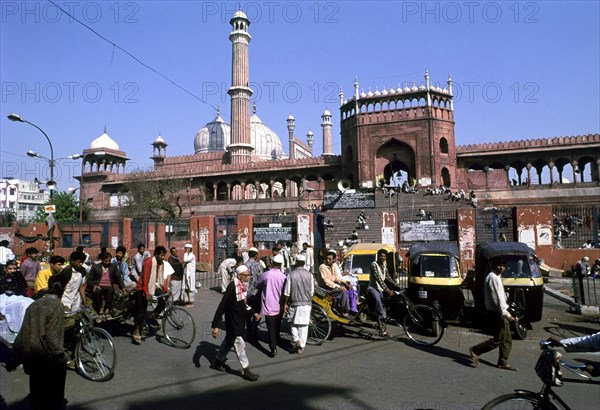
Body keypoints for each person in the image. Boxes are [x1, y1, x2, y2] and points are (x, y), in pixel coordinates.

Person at [7, 276, 67, 410]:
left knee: (37, 396)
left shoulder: (34, 304)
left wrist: (15, 356)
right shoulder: (57, 305)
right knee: (54, 397)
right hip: (49, 358)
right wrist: (61, 355)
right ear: (64, 288)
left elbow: (23, 333)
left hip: (33, 357)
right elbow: (52, 336)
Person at [210, 265, 260, 382]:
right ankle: (246, 370)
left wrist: (253, 313)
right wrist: (216, 325)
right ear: (240, 275)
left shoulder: (241, 286)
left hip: (239, 320)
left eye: (248, 275)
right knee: (239, 344)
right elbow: (222, 306)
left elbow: (243, 304)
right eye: (246, 275)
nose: (248, 277)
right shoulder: (233, 287)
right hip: (233, 321)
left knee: (228, 342)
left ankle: (216, 362)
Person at [469, 256, 518, 371]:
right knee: (500, 338)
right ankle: (476, 350)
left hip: (499, 310)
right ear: (494, 265)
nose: (502, 268)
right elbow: (499, 300)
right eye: (499, 265)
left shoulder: (496, 276)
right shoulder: (493, 277)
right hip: (498, 312)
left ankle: (502, 361)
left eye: (503, 265)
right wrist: (507, 315)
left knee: (507, 339)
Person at [132, 246, 170, 345]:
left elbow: (161, 279)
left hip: (154, 286)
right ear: (156, 255)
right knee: (141, 311)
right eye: (161, 255)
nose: (163, 257)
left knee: (163, 301)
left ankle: (152, 318)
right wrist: (146, 292)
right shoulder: (149, 262)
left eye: (164, 256)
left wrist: (166, 289)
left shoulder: (161, 264)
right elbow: (145, 279)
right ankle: (136, 330)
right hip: (143, 287)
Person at [283, 254, 314, 354]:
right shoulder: (310, 275)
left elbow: (287, 292)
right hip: (306, 303)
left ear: (296, 262)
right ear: (304, 263)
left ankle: (296, 339)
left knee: (293, 323)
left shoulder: (291, 274)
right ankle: (301, 346)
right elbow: (312, 292)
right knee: (304, 326)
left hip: (294, 303)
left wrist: (285, 303)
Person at [258, 254, 286, 357]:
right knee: (277, 325)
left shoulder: (266, 275)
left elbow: (259, 284)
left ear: (273, 263)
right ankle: (277, 339)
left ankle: (273, 347)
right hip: (279, 305)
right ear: (281, 264)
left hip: (268, 304)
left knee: (271, 327)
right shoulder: (283, 277)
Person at [84, 252, 123, 321]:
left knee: (110, 291)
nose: (108, 262)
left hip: (109, 285)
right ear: (102, 260)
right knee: (97, 292)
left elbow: (118, 277)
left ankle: (107, 310)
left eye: (109, 261)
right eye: (106, 261)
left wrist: (123, 287)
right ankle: (100, 309)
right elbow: (89, 279)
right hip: (99, 285)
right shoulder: (96, 267)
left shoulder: (113, 266)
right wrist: (94, 285)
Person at [0, 260, 33, 338]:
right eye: (10, 269)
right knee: (22, 304)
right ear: (6, 269)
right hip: (4, 297)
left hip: (18, 296)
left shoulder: (19, 275)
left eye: (14, 269)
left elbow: (23, 287)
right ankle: (18, 328)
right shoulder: (2, 276)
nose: (12, 271)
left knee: (30, 302)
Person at [368, 248, 396, 334]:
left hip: (380, 288)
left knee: (382, 304)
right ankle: (384, 317)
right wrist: (387, 290)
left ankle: (382, 322)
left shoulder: (384, 264)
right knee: (377, 300)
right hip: (373, 287)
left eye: (384, 256)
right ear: (378, 256)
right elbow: (379, 279)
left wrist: (395, 284)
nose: (382, 258)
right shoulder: (374, 264)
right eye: (381, 256)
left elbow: (387, 276)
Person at [317, 249, 349, 316]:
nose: (328, 260)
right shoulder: (322, 267)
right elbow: (326, 281)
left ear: (334, 260)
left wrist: (345, 282)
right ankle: (344, 311)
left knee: (347, 288)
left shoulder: (334, 266)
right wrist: (338, 286)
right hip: (324, 288)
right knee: (342, 291)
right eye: (327, 259)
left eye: (330, 259)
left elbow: (337, 277)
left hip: (331, 286)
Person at [244, 247, 263, 341]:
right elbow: (262, 280)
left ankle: (249, 332)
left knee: (247, 313)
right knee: (256, 313)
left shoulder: (244, 265)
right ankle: (254, 330)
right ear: (256, 255)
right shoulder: (258, 266)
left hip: (245, 294)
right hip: (256, 293)